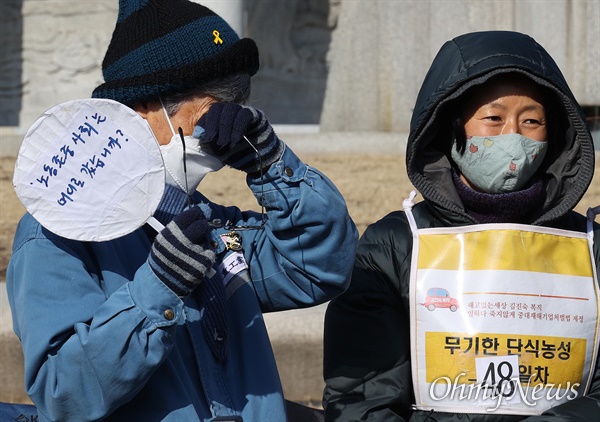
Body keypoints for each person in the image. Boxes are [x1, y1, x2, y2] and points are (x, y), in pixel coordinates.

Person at [7, 0, 358, 421]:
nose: (223, 126)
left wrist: (271, 163)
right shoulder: (57, 235)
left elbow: (319, 266)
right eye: (213, 108)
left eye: (235, 110)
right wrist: (157, 288)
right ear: (146, 109)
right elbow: (64, 393)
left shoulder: (208, 222)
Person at [322, 30, 599, 421]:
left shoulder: (590, 247)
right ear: (451, 129)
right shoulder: (396, 245)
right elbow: (362, 396)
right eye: (493, 118)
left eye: (532, 121)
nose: (513, 137)